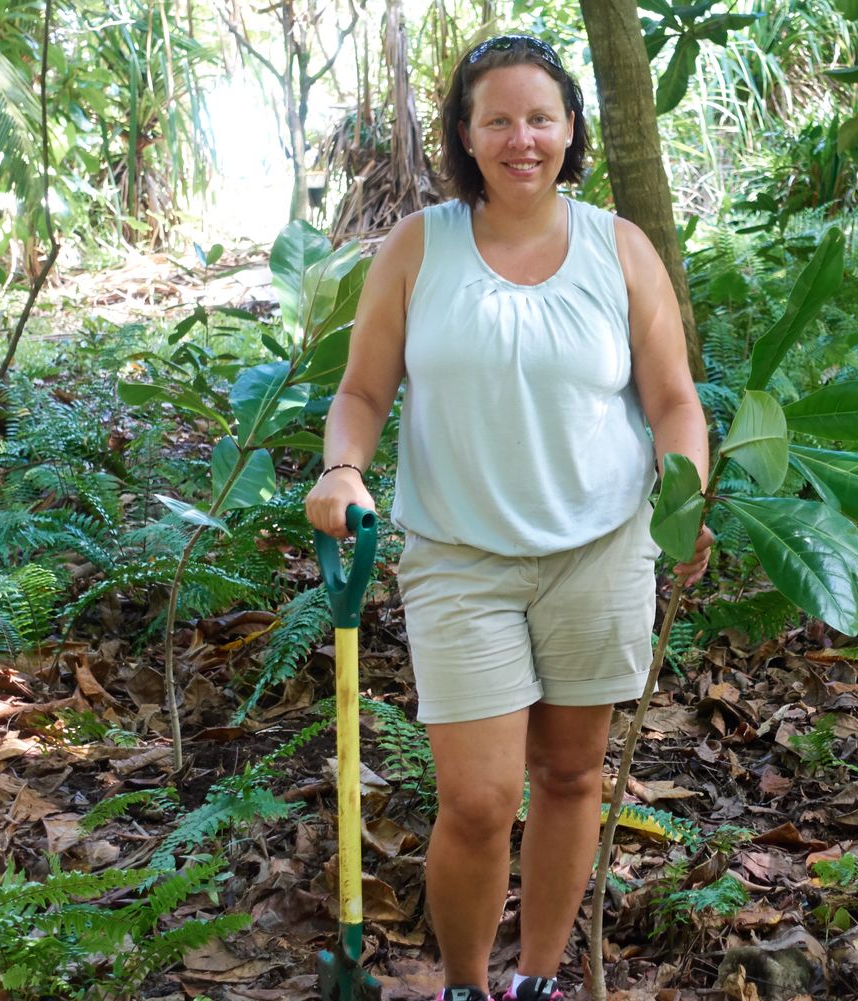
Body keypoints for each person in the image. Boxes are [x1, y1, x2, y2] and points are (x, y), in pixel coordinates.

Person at [303, 32, 713, 1001]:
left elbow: (673, 400)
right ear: (465, 133)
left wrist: (683, 497)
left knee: (570, 778)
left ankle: (535, 979)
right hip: (458, 555)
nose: (521, 137)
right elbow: (361, 393)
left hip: (600, 547)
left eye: (540, 117)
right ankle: (462, 983)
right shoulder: (416, 246)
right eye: (498, 119)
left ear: (571, 130)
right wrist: (341, 469)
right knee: (480, 799)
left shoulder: (619, 246)